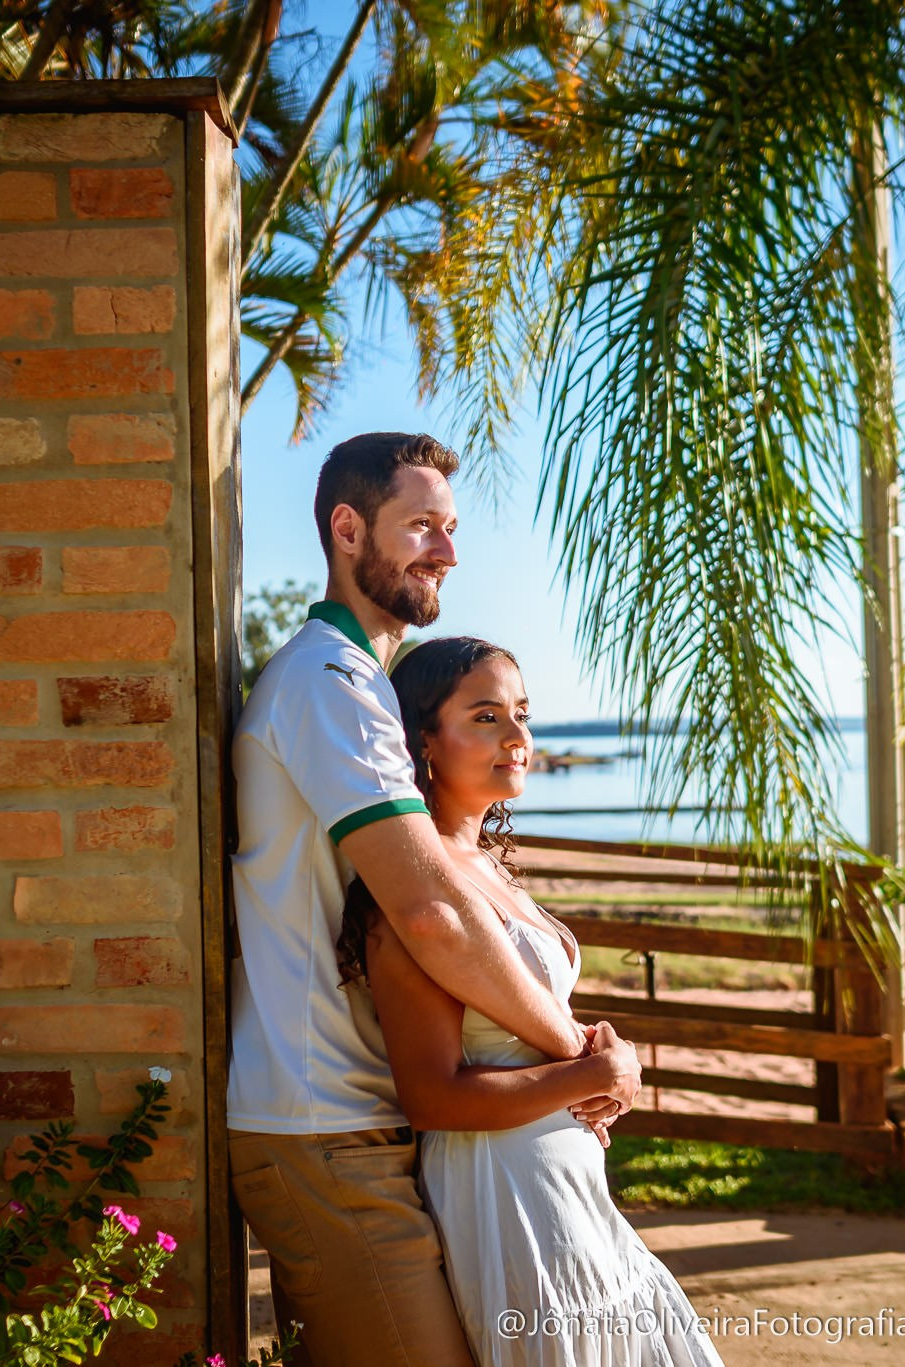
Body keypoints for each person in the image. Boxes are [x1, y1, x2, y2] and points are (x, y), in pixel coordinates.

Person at [226, 432, 641, 1367]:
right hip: (321, 1118)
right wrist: (580, 1055)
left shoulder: (360, 687)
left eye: (451, 528)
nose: (447, 552)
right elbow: (430, 914)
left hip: (361, 1117)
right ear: (346, 529)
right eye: (421, 526)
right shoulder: (328, 683)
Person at [347, 636, 724, 1367]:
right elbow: (432, 1096)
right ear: (423, 741)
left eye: (522, 714)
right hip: (506, 1189)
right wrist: (590, 1075)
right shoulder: (415, 885)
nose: (517, 737)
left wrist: (602, 1054)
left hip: (570, 1185)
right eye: (486, 717)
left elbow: (526, 1022)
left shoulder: (487, 866)